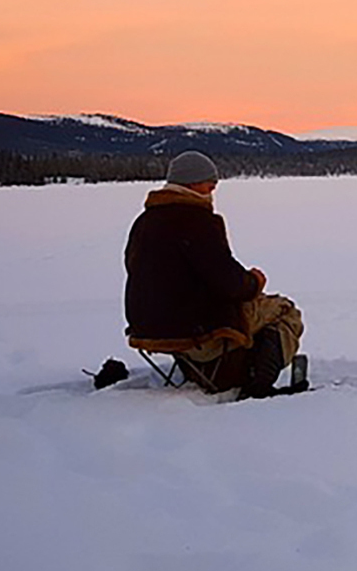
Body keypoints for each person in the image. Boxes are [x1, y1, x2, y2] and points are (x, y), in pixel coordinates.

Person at [124, 151, 305, 398]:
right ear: (191, 182)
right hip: (196, 328)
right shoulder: (197, 221)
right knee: (284, 310)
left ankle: (214, 369)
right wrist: (255, 282)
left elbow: (138, 269)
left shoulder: (144, 222)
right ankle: (258, 384)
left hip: (150, 326)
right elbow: (228, 283)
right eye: (209, 182)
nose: (213, 187)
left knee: (260, 308)